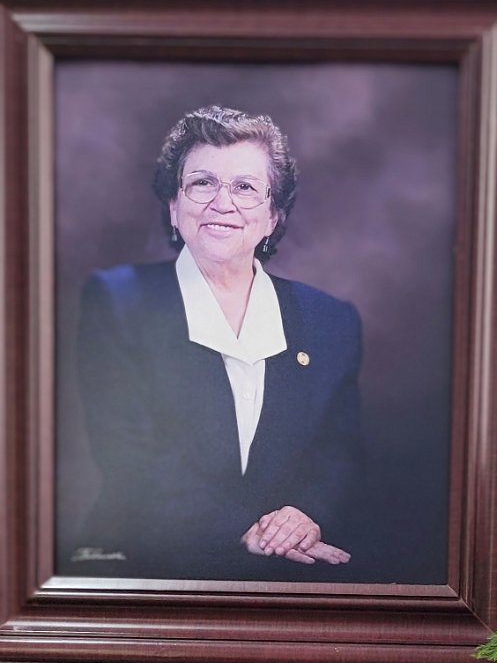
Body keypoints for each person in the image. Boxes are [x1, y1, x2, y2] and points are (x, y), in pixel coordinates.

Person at [68, 105, 364, 581]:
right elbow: (130, 455)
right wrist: (239, 531)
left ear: (273, 216)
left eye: (245, 187)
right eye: (202, 183)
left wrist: (304, 513)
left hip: (286, 568)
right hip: (144, 564)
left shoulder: (329, 320)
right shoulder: (120, 301)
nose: (222, 203)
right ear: (174, 206)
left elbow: (337, 451)